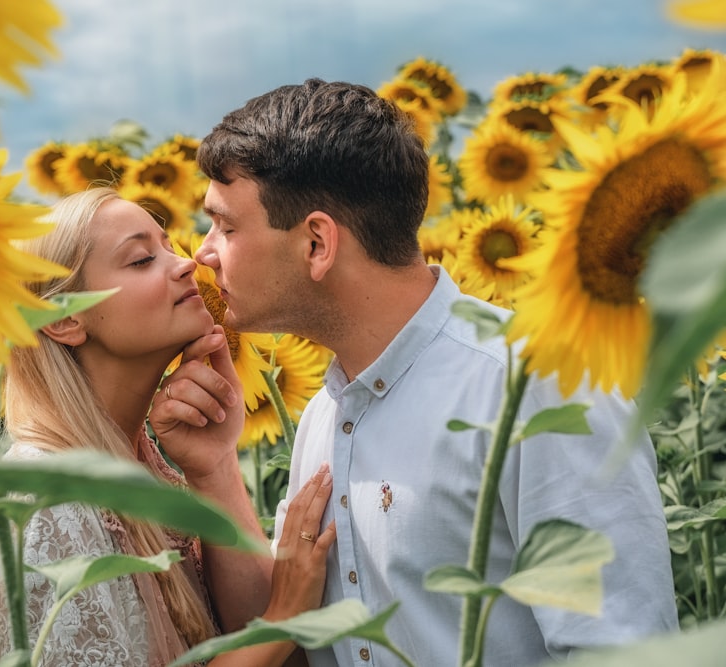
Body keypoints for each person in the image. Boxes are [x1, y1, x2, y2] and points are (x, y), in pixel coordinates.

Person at [186, 78, 679, 666]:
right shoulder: (325, 415)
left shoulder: (533, 388)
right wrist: (216, 469)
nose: (203, 252)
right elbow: (300, 645)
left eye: (226, 226)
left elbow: (623, 651)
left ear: (317, 243)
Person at [0, 188, 337, 667]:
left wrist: (214, 467)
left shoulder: (140, 471)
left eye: (169, 246)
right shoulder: (48, 501)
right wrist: (285, 615)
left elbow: (264, 651)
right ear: (64, 320)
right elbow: (270, 634)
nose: (185, 264)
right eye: (141, 260)